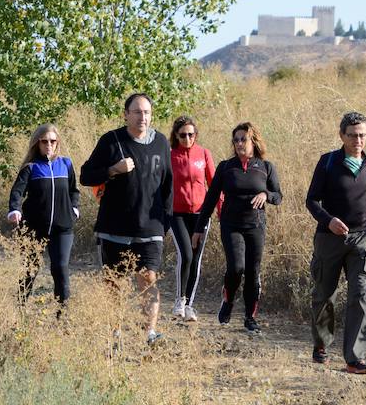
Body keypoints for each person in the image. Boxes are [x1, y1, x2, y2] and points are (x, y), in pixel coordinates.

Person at [80, 93, 173, 345]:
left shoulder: (161, 142)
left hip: (150, 227)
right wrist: (112, 170)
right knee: (114, 283)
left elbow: (167, 186)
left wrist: (165, 221)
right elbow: (86, 176)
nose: (143, 117)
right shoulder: (111, 141)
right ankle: (115, 333)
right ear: (126, 114)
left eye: (147, 112)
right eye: (137, 112)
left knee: (149, 278)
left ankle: (150, 335)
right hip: (114, 227)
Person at [305, 111, 366, 374]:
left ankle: (355, 358)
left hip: (362, 239)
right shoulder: (328, 162)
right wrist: (329, 221)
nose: (358, 140)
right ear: (342, 136)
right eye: (352, 135)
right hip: (329, 239)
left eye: (362, 135)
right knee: (325, 295)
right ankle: (322, 345)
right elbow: (312, 201)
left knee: (359, 295)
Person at [193, 122, 282, 334]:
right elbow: (211, 199)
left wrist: (265, 195)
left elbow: (278, 196)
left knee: (253, 271)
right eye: (236, 140)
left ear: (254, 141)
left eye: (244, 139)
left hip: (256, 226)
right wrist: (198, 228)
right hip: (231, 224)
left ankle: (250, 318)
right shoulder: (226, 167)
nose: (239, 143)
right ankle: (228, 299)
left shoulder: (265, 167)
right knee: (236, 267)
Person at [7, 124, 80, 309]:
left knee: (60, 269)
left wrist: (75, 208)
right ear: (37, 143)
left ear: (58, 143)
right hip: (34, 227)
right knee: (30, 270)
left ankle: (61, 316)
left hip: (63, 228)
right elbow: (17, 192)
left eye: (52, 141)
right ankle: (19, 310)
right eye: (44, 141)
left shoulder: (66, 164)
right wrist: (15, 210)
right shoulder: (30, 167)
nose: (49, 144)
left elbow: (74, 190)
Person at [169, 115, 217, 322]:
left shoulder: (204, 154)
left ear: (195, 135)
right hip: (177, 214)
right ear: (176, 136)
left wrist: (221, 208)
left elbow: (214, 185)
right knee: (186, 256)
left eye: (191, 134)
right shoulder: (170, 155)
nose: (187, 139)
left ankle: (189, 305)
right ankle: (179, 300)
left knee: (196, 259)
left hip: (201, 214)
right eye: (183, 135)